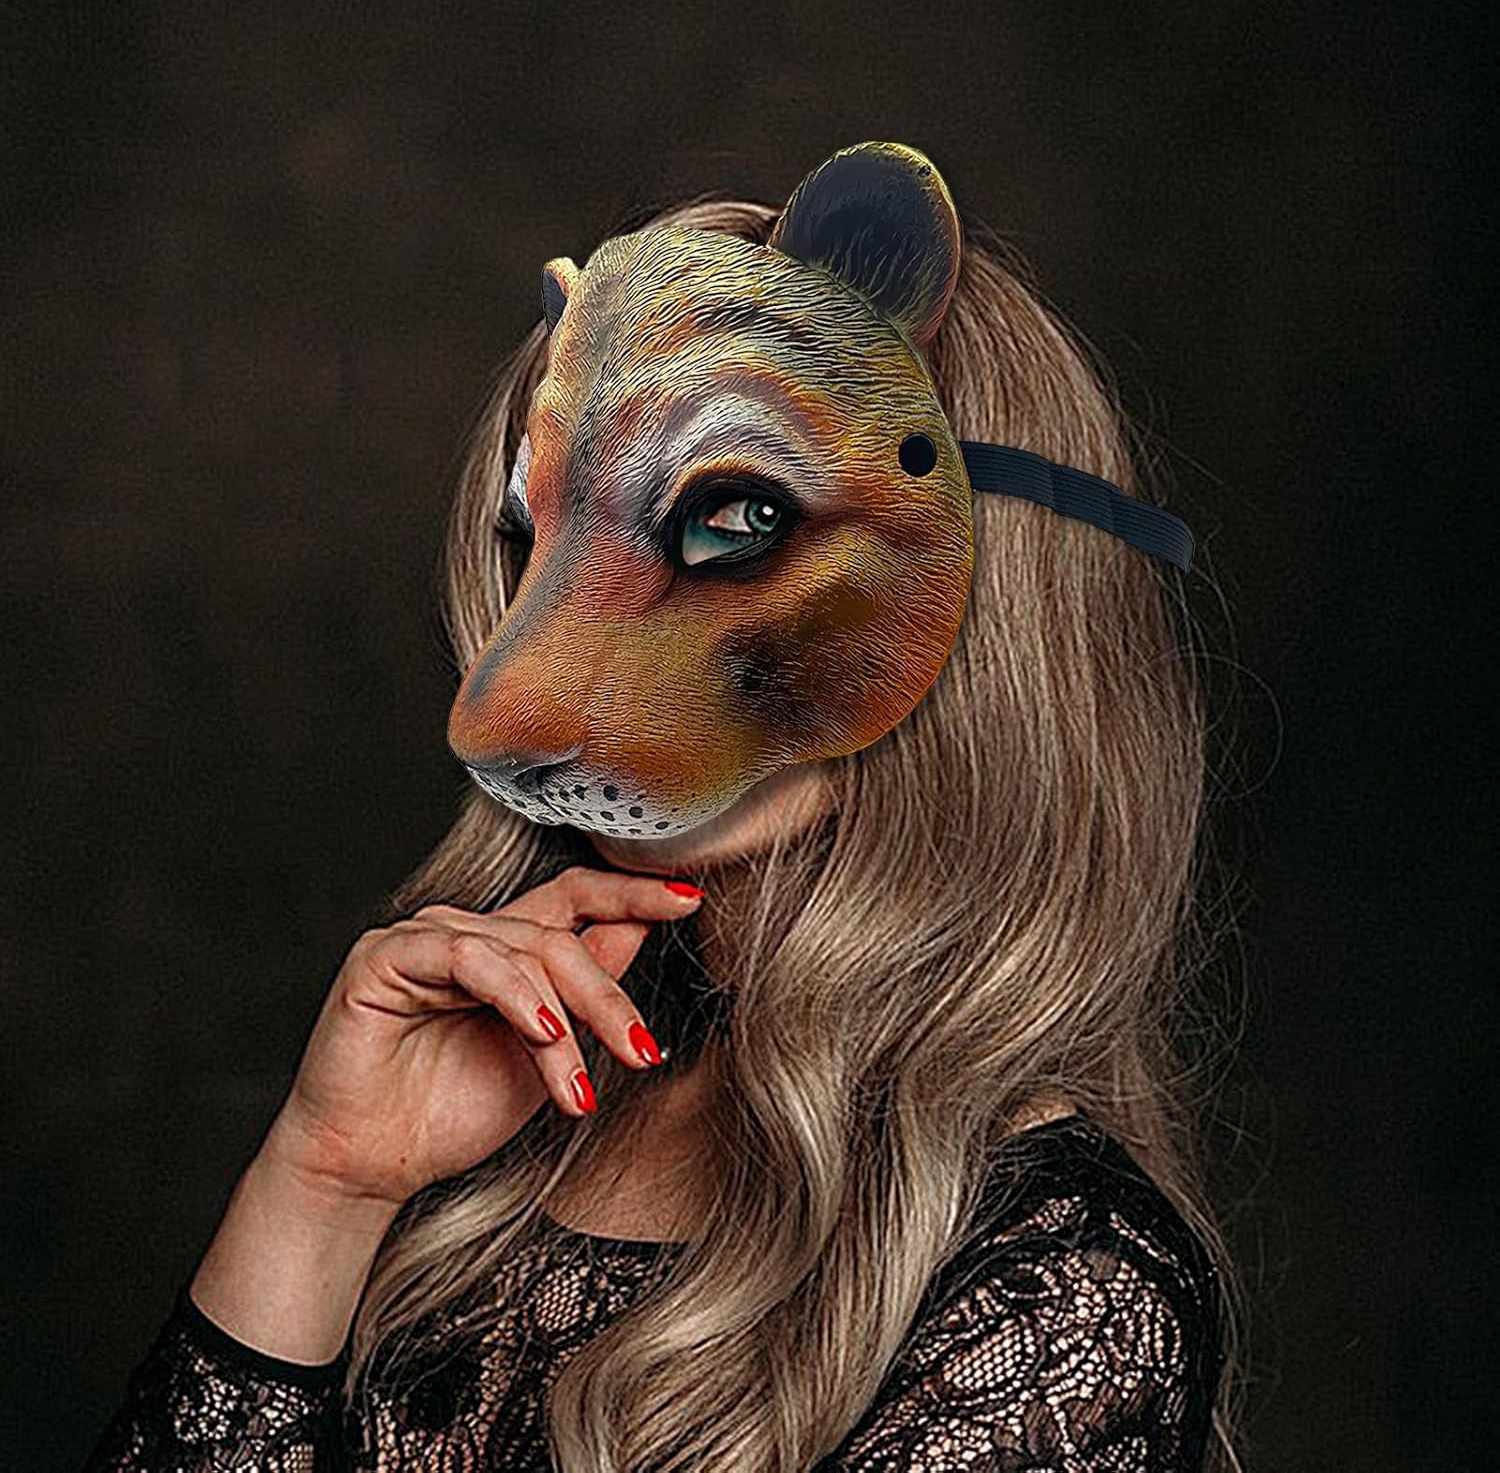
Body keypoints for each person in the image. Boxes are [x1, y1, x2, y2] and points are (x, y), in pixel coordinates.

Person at [84, 187, 1244, 1471]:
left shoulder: (1064, 1295)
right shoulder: (491, 1118)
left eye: (730, 519)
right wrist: (325, 1183)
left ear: (1002, 599)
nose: (507, 710)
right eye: (538, 544)